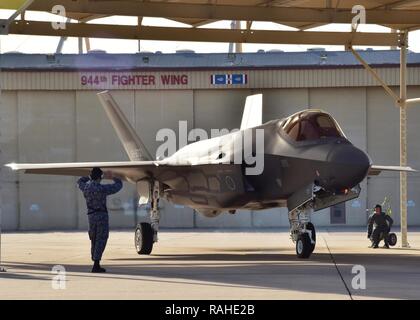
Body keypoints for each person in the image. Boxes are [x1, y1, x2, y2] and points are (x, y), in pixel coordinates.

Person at [77, 167, 123, 273]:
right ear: (100, 177)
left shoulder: (86, 187)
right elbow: (118, 186)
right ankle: (96, 264)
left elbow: (79, 181)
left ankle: (95, 260)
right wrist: (113, 177)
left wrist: (88, 177)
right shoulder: (102, 189)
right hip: (101, 216)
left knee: (93, 238)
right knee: (101, 239)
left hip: (91, 216)